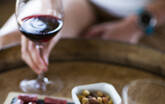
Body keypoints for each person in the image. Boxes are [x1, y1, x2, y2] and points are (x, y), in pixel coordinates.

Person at [0, 0, 165, 75]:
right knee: (8, 41)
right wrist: (49, 5)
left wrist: (135, 25)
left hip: (149, 16)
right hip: (82, 3)